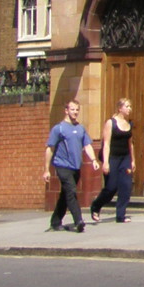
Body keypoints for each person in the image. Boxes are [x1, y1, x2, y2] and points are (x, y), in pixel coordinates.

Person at [43, 99, 100, 232]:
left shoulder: (80, 128)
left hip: (76, 166)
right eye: (72, 109)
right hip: (62, 165)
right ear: (66, 110)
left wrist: (93, 160)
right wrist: (46, 170)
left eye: (77, 110)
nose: (75, 112)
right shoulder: (59, 128)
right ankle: (78, 220)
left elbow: (87, 145)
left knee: (65, 194)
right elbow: (50, 148)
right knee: (71, 191)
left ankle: (55, 221)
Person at [89, 98, 135, 224]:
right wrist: (105, 162)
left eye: (130, 106)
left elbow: (130, 144)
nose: (129, 109)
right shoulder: (111, 123)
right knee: (111, 187)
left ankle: (121, 215)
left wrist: (132, 160)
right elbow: (106, 144)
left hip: (125, 158)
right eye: (127, 106)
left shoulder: (129, 124)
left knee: (126, 186)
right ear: (120, 108)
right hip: (112, 158)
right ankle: (96, 206)